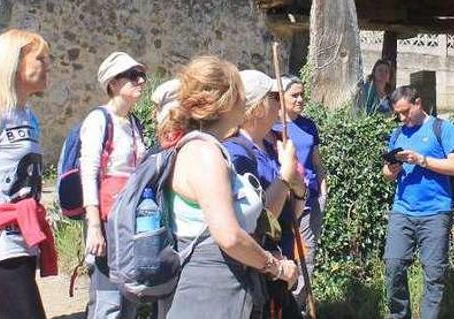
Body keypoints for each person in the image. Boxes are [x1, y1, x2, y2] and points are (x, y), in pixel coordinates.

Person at [157, 56, 298, 318]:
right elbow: (229, 236)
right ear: (230, 101)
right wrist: (276, 266)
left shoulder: (207, 148)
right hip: (210, 296)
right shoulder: (204, 153)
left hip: (224, 293)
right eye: (242, 95)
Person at [0, 30, 57, 319]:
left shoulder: (28, 115)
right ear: (14, 62)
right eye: (40, 58)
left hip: (23, 239)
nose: (47, 65)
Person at [225, 70, 306, 318]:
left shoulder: (272, 148)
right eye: (274, 97)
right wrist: (285, 177)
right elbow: (259, 219)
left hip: (280, 268)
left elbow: (294, 211)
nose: (280, 103)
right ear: (258, 107)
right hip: (258, 271)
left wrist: (295, 182)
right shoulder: (236, 154)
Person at [382, 85, 454, 319]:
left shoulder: (443, 128)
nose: (402, 117)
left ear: (418, 103)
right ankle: (399, 315)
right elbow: (386, 175)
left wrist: (422, 160)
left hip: (436, 212)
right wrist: (392, 169)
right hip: (402, 210)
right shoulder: (398, 134)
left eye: (406, 111)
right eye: (398, 113)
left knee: (434, 273)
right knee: (393, 266)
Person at [81, 52, 147, 319]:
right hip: (107, 221)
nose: (141, 80)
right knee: (108, 299)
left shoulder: (134, 123)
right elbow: (89, 172)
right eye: (133, 76)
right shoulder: (99, 120)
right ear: (113, 83)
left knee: (130, 294)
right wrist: (94, 227)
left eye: (141, 75)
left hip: (130, 218)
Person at [272, 75, 326, 311]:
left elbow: (316, 162)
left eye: (302, 94)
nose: (301, 99)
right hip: (281, 203)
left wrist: (323, 193)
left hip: (308, 202)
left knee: (305, 256)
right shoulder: (271, 127)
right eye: (294, 95)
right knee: (282, 255)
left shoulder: (308, 125)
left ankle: (298, 308)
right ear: (280, 97)